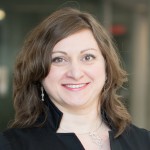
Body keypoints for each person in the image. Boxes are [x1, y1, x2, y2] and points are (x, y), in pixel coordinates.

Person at [0, 7, 150, 150]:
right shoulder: (11, 145)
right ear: (38, 71)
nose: (75, 73)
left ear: (107, 67)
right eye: (59, 59)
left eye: (87, 57)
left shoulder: (144, 141)